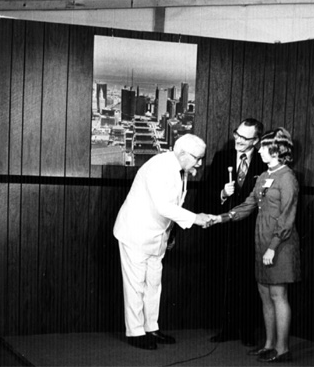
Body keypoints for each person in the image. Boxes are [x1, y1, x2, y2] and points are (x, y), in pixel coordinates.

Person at [209, 127, 300, 363]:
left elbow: (287, 218)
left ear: (277, 150)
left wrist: (273, 247)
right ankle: (269, 345)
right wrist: (222, 217)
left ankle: (283, 349)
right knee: (264, 294)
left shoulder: (287, 178)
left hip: (279, 245)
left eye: (263, 147)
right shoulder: (262, 177)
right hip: (261, 240)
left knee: (279, 294)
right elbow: (248, 205)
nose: (259, 151)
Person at [113, 133, 212, 350]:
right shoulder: (158, 167)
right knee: (135, 284)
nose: (200, 163)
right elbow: (163, 206)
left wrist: (172, 234)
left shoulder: (180, 168)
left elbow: (173, 204)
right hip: (136, 233)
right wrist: (196, 219)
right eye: (197, 158)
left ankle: (151, 327)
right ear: (183, 153)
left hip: (157, 236)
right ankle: (136, 332)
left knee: (153, 284)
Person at [204, 118, 265, 347]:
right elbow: (207, 193)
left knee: (248, 282)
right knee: (226, 279)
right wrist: (222, 193)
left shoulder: (263, 161)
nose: (238, 140)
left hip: (251, 232)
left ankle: (247, 331)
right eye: (236, 134)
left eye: (245, 138)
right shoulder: (222, 158)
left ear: (256, 140)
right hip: (225, 232)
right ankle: (227, 328)